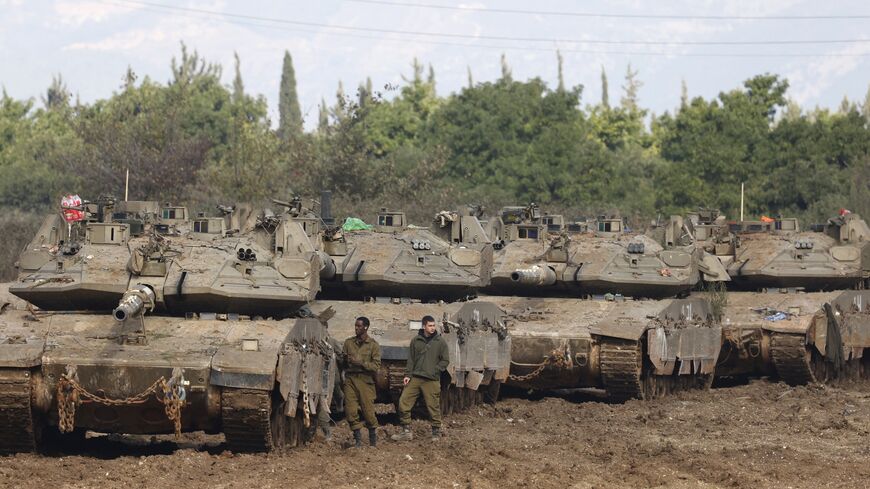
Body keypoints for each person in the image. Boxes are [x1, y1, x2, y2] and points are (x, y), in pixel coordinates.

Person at [391, 315, 449, 442]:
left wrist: (436, 370)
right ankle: (406, 431)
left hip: (431, 379)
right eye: (430, 325)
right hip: (416, 378)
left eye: (434, 325)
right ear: (424, 326)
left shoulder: (440, 342)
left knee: (433, 406)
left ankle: (436, 432)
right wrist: (407, 375)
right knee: (403, 402)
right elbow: (411, 359)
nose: (432, 328)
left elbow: (445, 360)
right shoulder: (416, 341)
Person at [342, 316, 381, 447]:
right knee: (350, 411)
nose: (356, 328)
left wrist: (361, 363)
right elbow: (342, 362)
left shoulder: (373, 345)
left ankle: (373, 441)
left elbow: (376, 366)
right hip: (350, 379)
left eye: (359, 326)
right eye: (355, 326)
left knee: (368, 412)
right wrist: (344, 360)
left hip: (365, 380)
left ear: (366, 327)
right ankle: (358, 440)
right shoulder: (348, 343)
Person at [317, 322, 345, 442]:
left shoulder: (331, 342)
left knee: (336, 387)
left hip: (330, 373)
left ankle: (340, 400)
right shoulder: (313, 340)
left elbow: (341, 355)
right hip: (316, 376)